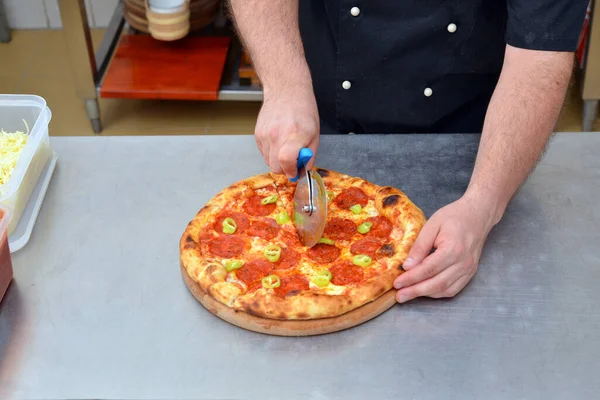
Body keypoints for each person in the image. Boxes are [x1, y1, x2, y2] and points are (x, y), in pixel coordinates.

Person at [227, 0, 588, 303]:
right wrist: (284, 83)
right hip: (320, 131)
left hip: (476, 145)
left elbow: (541, 51)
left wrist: (484, 204)